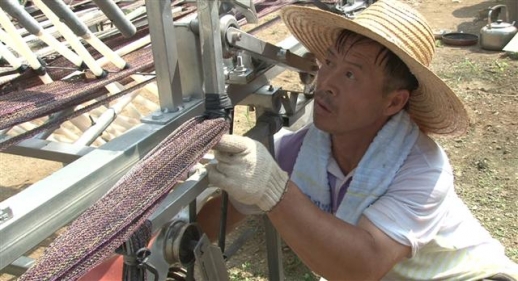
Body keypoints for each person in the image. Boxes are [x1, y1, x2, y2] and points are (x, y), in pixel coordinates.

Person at [200, 0, 518, 280]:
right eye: (330, 63)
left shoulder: (422, 169)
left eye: (351, 74)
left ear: (393, 102)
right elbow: (223, 213)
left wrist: (273, 189)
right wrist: (166, 244)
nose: (326, 83)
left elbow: (363, 266)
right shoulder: (300, 151)